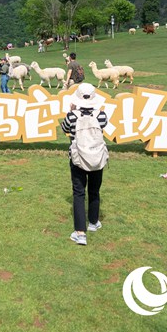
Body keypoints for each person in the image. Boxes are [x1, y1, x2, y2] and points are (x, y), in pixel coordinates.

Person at [60, 83, 108, 246]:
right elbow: (104, 125)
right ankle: (93, 222)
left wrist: (70, 110)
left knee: (79, 193)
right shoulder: (101, 115)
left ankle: (80, 233)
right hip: (97, 158)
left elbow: (64, 128)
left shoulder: (72, 116)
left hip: (78, 158)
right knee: (94, 191)